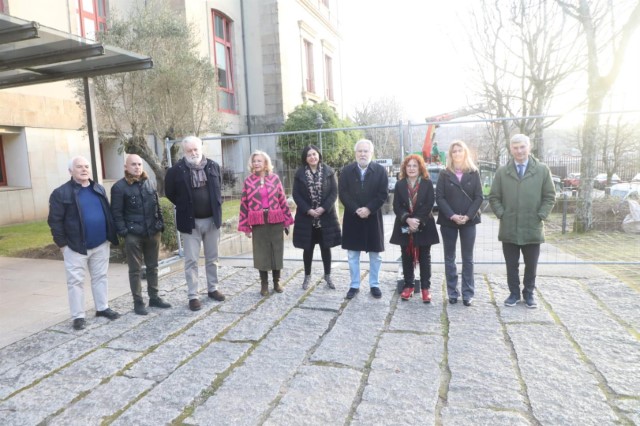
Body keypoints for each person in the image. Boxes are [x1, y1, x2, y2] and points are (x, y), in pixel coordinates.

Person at [48, 156, 121, 330]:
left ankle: (102, 308)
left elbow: (107, 213)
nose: (84, 169)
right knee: (75, 282)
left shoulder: (98, 189)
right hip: (75, 247)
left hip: (101, 243)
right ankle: (78, 316)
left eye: (86, 166)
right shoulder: (60, 193)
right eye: (79, 166)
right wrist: (63, 245)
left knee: (100, 277)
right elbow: (55, 222)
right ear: (70, 171)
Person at [489, 134, 556, 308]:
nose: (519, 151)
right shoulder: (503, 172)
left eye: (522, 147)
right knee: (511, 265)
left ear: (529, 147)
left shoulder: (542, 170)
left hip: (532, 226)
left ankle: (529, 294)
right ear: (511, 149)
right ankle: (513, 294)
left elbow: (550, 196)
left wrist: (540, 215)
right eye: (515, 147)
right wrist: (502, 214)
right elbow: (494, 197)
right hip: (509, 227)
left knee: (531, 265)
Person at [165, 136, 225, 312]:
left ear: (201, 148)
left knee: (212, 258)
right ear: (184, 151)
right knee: (191, 260)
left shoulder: (213, 166)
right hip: (190, 223)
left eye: (196, 149)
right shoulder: (175, 171)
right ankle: (193, 296)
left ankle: (212, 289)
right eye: (189, 150)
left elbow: (218, 188)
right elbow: (170, 193)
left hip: (212, 221)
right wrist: (186, 206)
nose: (193, 153)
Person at [111, 154, 171, 315]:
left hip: (153, 232)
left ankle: (154, 297)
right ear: (126, 167)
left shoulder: (149, 182)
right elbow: (116, 214)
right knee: (135, 270)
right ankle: (138, 302)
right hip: (133, 234)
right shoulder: (119, 187)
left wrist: (160, 224)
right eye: (133, 164)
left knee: (153, 267)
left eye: (139, 164)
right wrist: (124, 232)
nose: (137, 167)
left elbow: (157, 205)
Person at [238, 150, 294, 296]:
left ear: (265, 163)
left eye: (259, 161)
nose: (256, 163)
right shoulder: (248, 181)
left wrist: (287, 220)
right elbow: (244, 204)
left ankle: (276, 282)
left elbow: (282, 199)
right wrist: (245, 227)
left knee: (277, 250)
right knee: (261, 252)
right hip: (258, 221)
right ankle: (264, 284)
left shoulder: (275, 179)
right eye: (254, 161)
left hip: (275, 219)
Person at [436, 140, 483, 306]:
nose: (457, 154)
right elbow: (439, 197)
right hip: (449, 221)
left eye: (459, 150)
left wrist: (468, 216)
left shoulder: (474, 172)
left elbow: (479, 197)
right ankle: (452, 292)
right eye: (454, 151)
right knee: (450, 258)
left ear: (465, 153)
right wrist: (452, 215)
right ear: (450, 154)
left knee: (467, 259)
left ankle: (468, 293)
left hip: (469, 222)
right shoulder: (444, 173)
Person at [339, 139, 388, 299]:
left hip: (373, 218)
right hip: (353, 218)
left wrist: (369, 209)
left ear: (371, 153)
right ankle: (354, 285)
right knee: (353, 254)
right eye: (360, 151)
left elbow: (382, 194)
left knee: (375, 254)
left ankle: (374, 284)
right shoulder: (346, 171)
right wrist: (356, 209)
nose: (362, 154)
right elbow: (343, 193)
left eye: (366, 151)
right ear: (355, 153)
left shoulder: (380, 171)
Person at [390, 154, 439, 303]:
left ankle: (425, 288)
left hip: (423, 225)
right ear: (405, 168)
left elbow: (430, 203)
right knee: (406, 257)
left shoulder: (427, 183)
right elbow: (396, 206)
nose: (411, 168)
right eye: (409, 166)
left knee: (425, 257)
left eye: (414, 166)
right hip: (404, 225)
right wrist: (407, 219)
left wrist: (416, 221)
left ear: (420, 168)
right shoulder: (399, 185)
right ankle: (408, 286)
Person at [292, 145, 341, 290]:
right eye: (309, 155)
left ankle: (328, 276)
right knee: (308, 248)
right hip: (306, 218)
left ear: (319, 155)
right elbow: (296, 195)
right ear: (305, 158)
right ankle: (307, 276)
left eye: (314, 154)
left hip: (325, 217)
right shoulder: (299, 173)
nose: (312, 157)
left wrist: (323, 208)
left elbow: (334, 192)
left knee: (326, 247)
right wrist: (308, 210)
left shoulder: (329, 171)